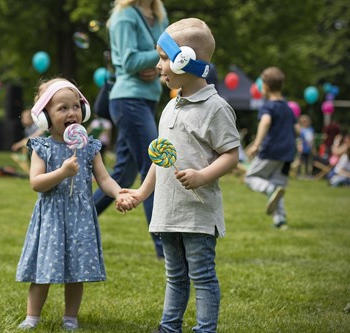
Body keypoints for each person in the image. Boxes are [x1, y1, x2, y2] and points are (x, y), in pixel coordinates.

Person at [117, 18, 240, 333]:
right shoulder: (169, 108)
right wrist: (142, 193)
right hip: (168, 211)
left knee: (202, 275)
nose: (158, 65)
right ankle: (169, 327)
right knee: (174, 275)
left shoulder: (215, 108)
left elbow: (231, 154)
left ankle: (204, 329)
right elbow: (161, 160)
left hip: (197, 214)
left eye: (163, 57)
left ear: (185, 58)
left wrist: (202, 176)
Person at [15, 78, 133, 331]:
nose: (72, 113)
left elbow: (104, 178)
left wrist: (118, 193)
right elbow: (36, 183)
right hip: (52, 217)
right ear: (45, 116)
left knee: (77, 269)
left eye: (76, 107)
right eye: (62, 108)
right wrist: (62, 172)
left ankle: (71, 318)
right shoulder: (42, 147)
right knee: (42, 270)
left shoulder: (89, 147)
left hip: (80, 216)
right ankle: (32, 317)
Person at [92, 0, 169, 259]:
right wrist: (159, 57)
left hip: (147, 98)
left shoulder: (159, 13)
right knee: (153, 167)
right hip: (128, 100)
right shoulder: (124, 16)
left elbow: (171, 51)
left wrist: (159, 64)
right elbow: (128, 60)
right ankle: (164, 249)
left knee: (123, 178)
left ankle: (76, 220)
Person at [244, 67, 299, 229]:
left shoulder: (268, 107)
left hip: (271, 151)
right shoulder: (288, 109)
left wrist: (256, 145)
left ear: (265, 86)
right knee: (278, 187)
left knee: (250, 178)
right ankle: (280, 220)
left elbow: (266, 122)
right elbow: (297, 131)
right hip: (287, 154)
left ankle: (269, 189)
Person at [297, 114, 315, 179]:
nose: (305, 123)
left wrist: (313, 147)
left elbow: (312, 139)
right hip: (302, 147)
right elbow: (299, 139)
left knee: (308, 162)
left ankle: (307, 174)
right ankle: (298, 174)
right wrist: (299, 146)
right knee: (301, 161)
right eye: (303, 121)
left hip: (309, 148)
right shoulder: (301, 129)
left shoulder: (311, 129)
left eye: (306, 121)